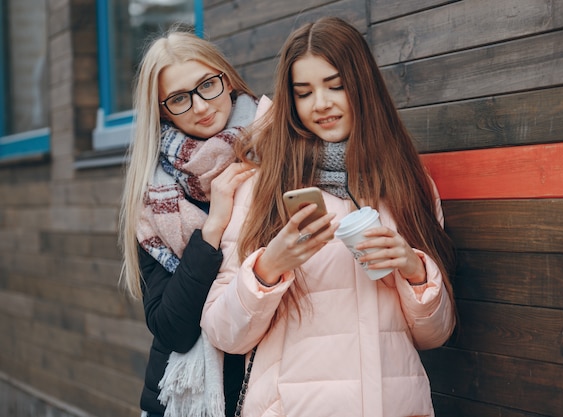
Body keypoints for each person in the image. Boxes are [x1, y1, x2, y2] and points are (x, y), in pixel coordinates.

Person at [200, 16, 457, 417]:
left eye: (335, 86)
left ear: (363, 87)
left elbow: (435, 334)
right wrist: (268, 268)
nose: (320, 104)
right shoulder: (261, 189)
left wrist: (413, 270)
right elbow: (222, 333)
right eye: (304, 93)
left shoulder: (409, 184)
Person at [119, 27, 258, 417]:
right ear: (162, 109)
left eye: (207, 85)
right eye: (180, 98)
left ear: (225, 80)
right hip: (185, 403)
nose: (200, 106)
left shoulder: (278, 147)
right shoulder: (151, 196)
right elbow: (172, 329)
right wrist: (211, 229)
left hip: (270, 389)